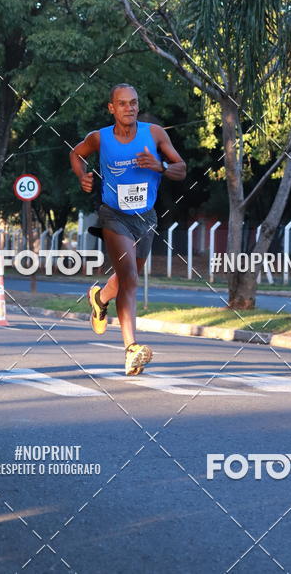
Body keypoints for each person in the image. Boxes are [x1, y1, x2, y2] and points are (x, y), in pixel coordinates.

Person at [69, 84, 186, 375]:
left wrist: (159, 167)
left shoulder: (155, 134)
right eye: (122, 104)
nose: (129, 108)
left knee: (125, 278)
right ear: (112, 108)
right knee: (130, 277)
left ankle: (99, 298)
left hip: (145, 217)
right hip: (113, 215)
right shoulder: (100, 138)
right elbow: (76, 154)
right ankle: (131, 348)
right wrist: (82, 176)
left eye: (133, 103)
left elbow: (181, 169)